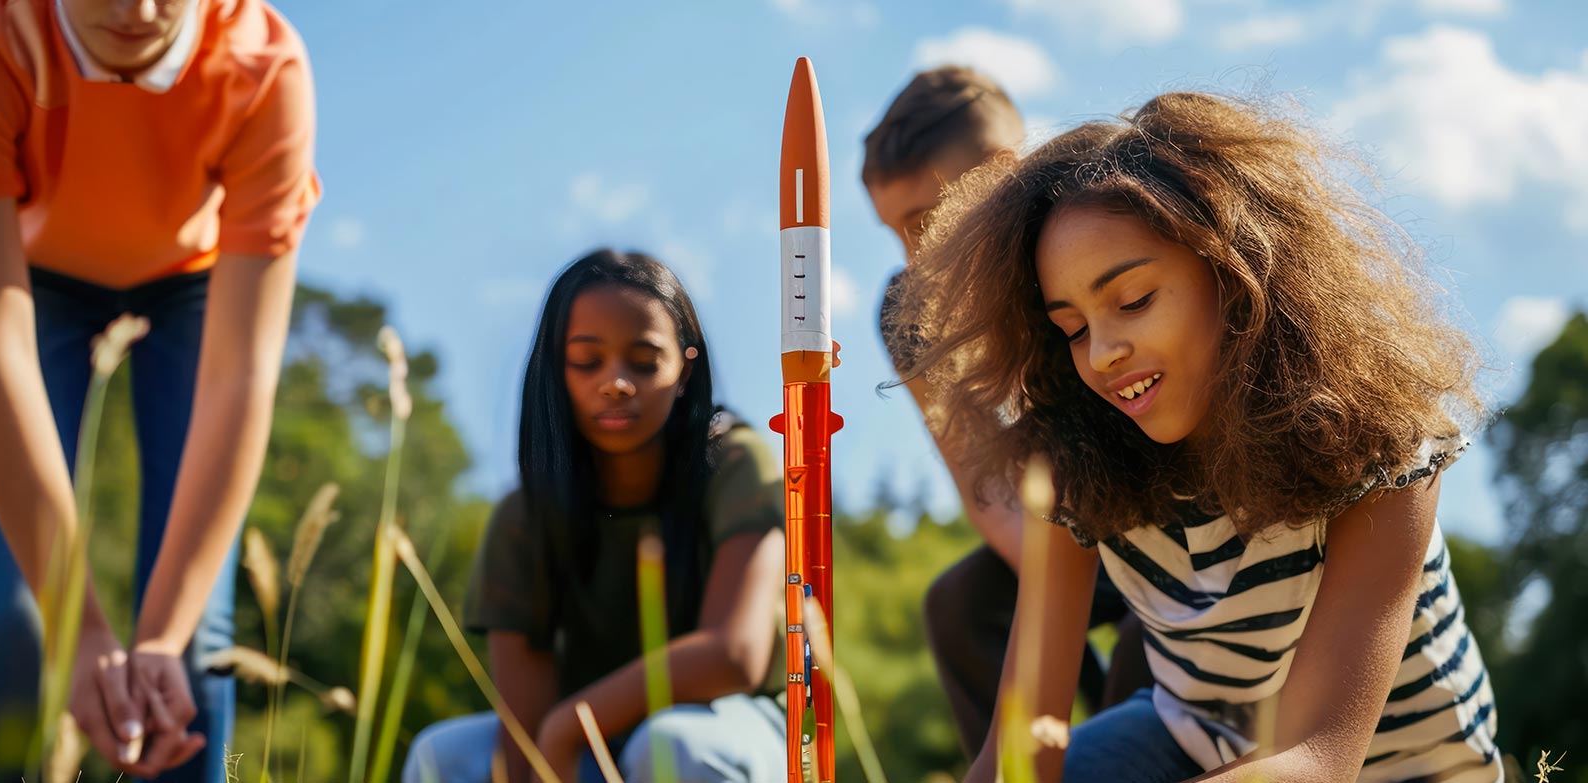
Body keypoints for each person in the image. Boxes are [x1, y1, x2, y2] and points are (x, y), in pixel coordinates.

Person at [894, 92, 1501, 782]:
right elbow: (1021, 751)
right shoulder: (1071, 460)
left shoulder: (1384, 443)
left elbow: (1319, 759)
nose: (1102, 353)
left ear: (1236, 272)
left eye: (1133, 301)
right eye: (1073, 327)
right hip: (1193, 744)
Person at [0, 0, 318, 779]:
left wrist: (161, 637)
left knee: (196, 647)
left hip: (194, 288)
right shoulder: (1, 41)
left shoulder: (266, 69)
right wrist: (79, 630)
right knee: (9, 620)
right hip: (33, 283)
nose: (138, 11)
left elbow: (241, 374)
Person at [404, 250, 789, 783]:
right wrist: (559, 737)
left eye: (645, 361)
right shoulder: (526, 518)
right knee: (440, 758)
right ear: (555, 371)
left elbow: (734, 656)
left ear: (684, 371)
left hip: (735, 725)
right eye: (588, 361)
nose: (616, 383)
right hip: (589, 745)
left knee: (672, 748)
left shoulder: (734, 462)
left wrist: (569, 725)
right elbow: (526, 745)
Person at [861, 65, 1150, 761]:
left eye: (925, 221)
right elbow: (982, 486)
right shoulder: (911, 314)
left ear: (1001, 173)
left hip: (1159, 510)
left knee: (1160, 594)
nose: (914, 253)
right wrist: (1056, 583)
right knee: (959, 603)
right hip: (1059, 527)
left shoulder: (1083, 247)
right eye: (894, 231)